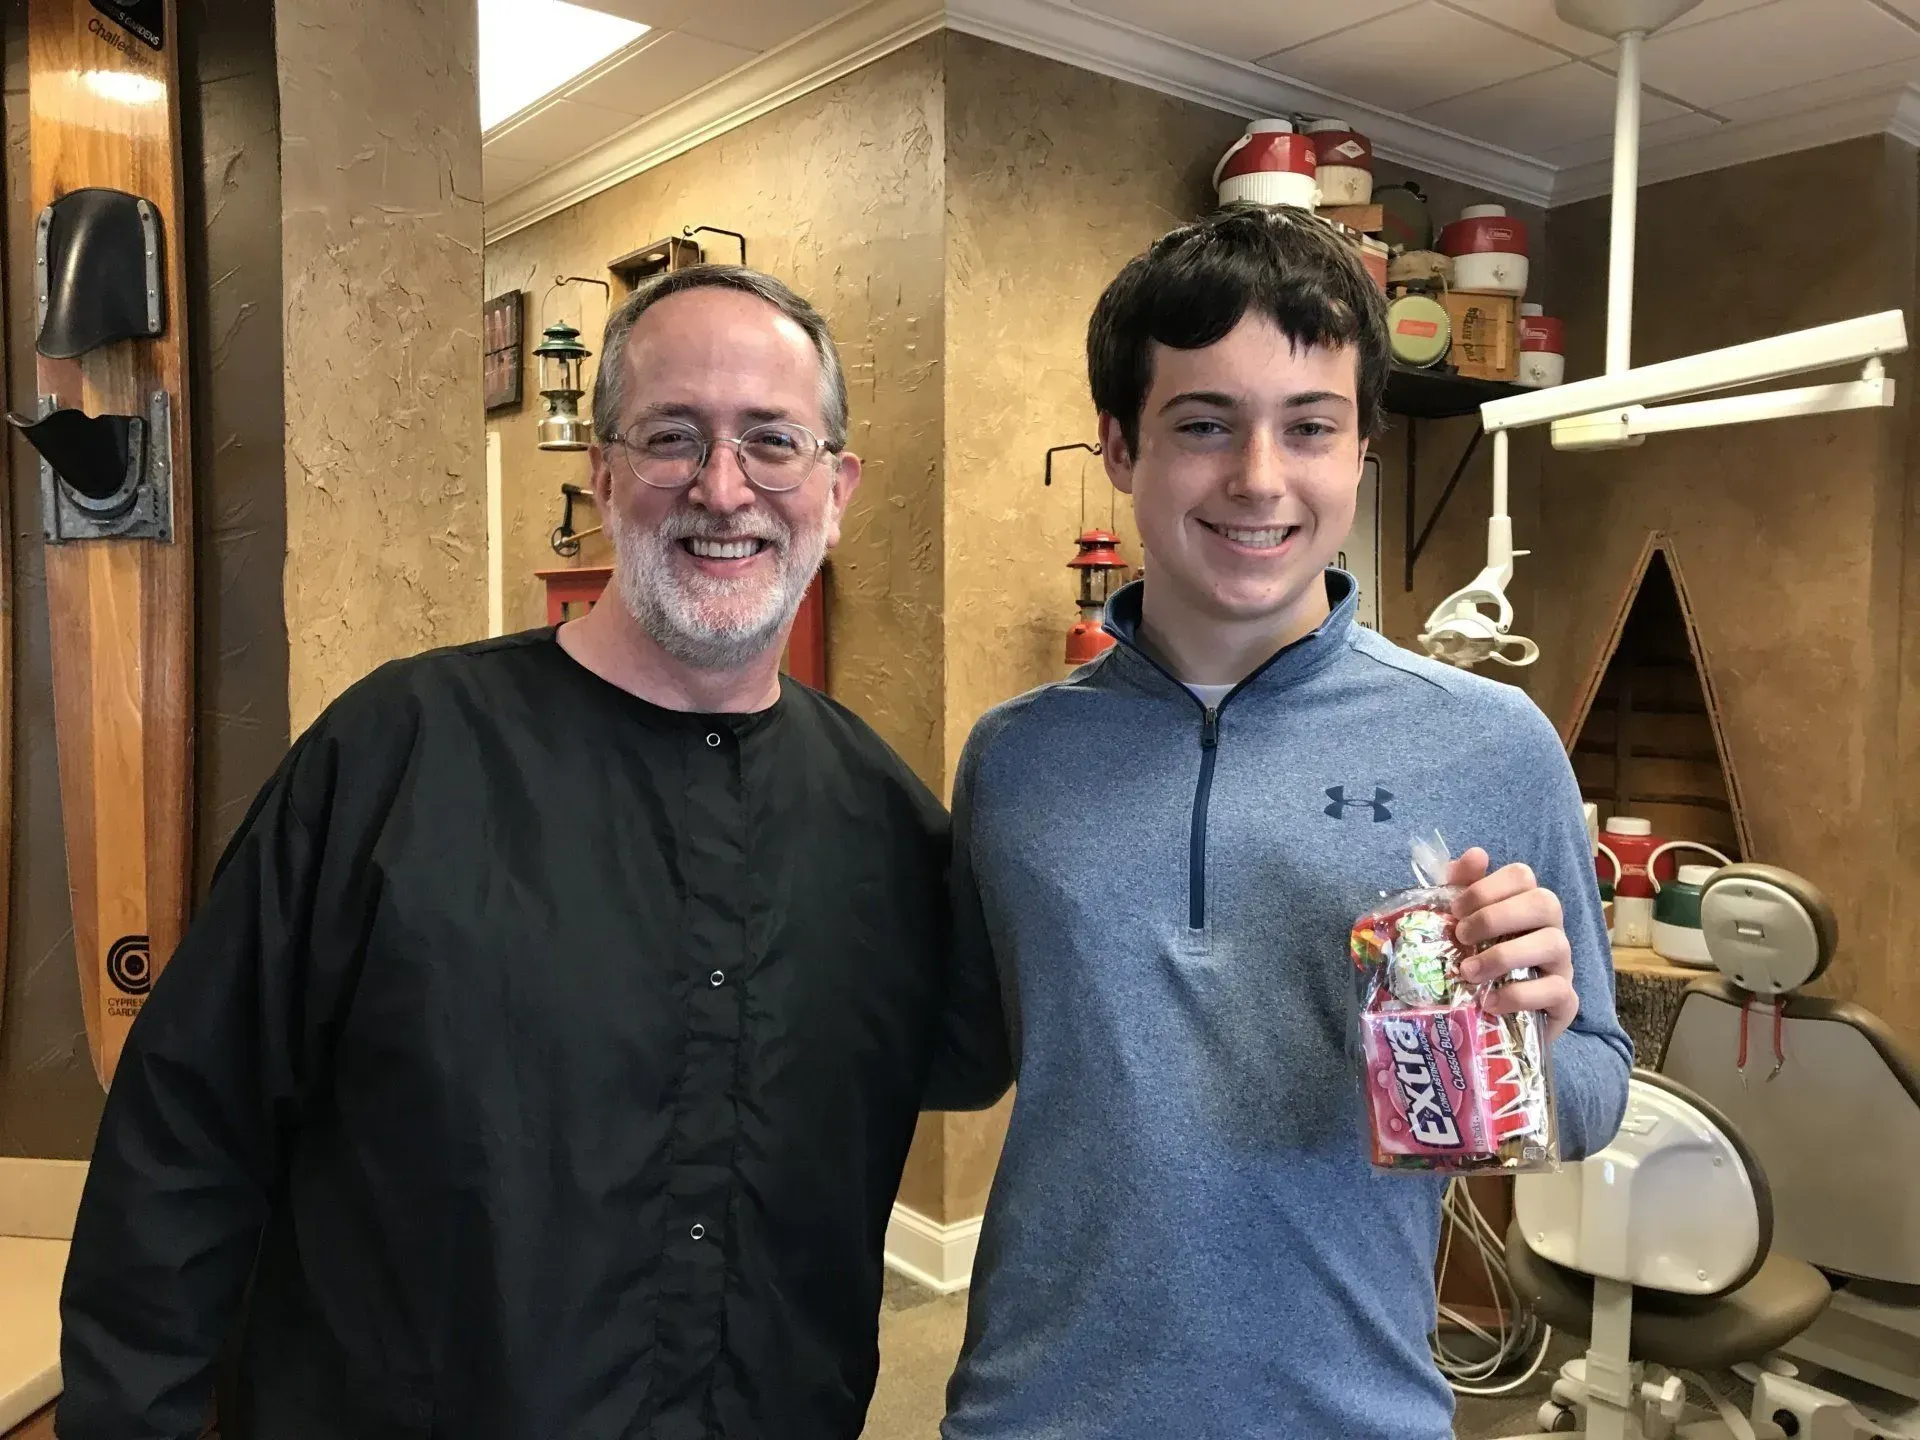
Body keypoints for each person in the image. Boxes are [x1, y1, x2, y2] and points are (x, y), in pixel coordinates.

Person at [58, 264, 1009, 1440]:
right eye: (672, 436)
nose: (723, 488)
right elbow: (186, 1132)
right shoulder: (396, 755)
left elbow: (967, 1061)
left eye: (773, 441)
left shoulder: (884, 819)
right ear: (603, 475)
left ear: (837, 487)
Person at [940, 207, 1633, 1439]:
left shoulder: (1489, 742)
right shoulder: (1014, 759)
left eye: (1309, 426)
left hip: (1350, 1411)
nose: (1259, 478)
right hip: (1035, 1407)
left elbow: (1593, 1090)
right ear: (1119, 446)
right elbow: (962, 1052)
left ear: (1361, 449)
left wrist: (1527, 1041)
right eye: (1204, 424)